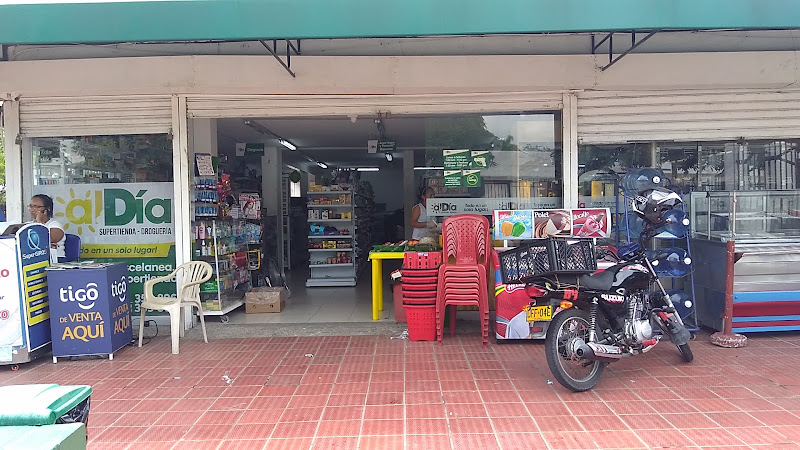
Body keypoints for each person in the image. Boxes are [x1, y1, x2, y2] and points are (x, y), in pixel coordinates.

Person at [29, 194, 65, 263]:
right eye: (30, 206)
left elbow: (46, 239)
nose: (31, 209)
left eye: (36, 207)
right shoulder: (28, 225)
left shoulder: (55, 225)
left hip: (55, 260)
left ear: (46, 210)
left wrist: (39, 222)